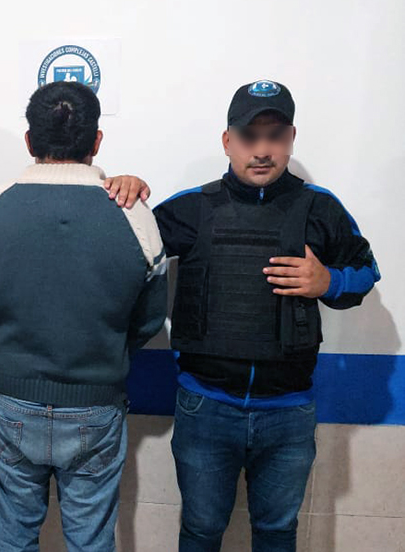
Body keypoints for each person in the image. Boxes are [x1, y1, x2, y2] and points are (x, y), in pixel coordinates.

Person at [153, 79, 380, 552]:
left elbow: (366, 272)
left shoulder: (320, 208)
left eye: (274, 136)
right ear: (227, 141)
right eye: (248, 136)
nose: (261, 150)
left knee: (277, 533)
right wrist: (122, 186)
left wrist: (329, 282)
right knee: (200, 531)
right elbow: (123, 248)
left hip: (288, 412)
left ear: (291, 138)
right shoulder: (191, 208)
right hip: (206, 407)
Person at [0, 81, 168, 552]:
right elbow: (150, 319)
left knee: (13, 541)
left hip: (11, 400)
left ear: (29, 141)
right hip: (96, 402)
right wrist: (102, 348)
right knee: (91, 543)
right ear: (97, 141)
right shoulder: (133, 214)